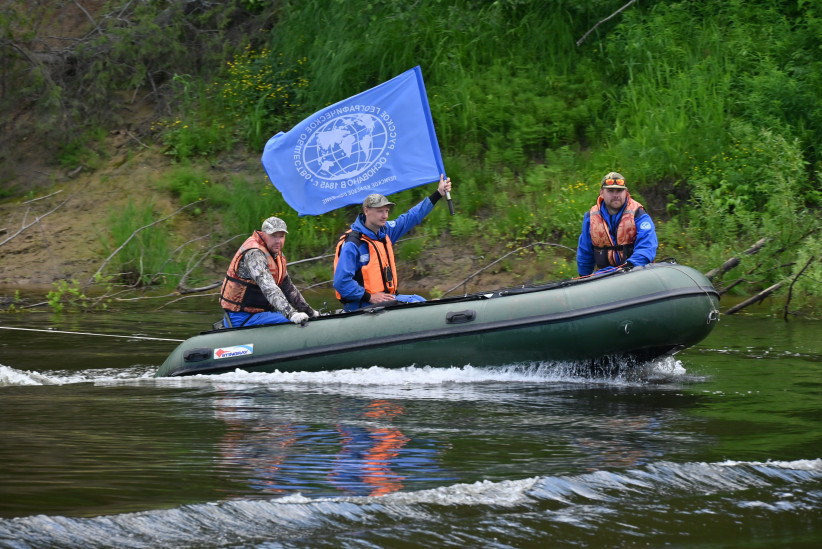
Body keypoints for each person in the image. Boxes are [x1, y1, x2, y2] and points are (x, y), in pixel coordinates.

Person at [333, 175, 453, 311]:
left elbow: (411, 217)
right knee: (417, 304)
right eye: (380, 211)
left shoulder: (385, 232)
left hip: (386, 300)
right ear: (366, 211)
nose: (385, 216)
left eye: (386, 211)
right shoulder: (352, 243)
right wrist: (369, 297)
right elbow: (341, 282)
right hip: (363, 305)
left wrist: (437, 194)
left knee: (419, 300)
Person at [219, 216, 319, 327]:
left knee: (306, 317)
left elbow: (289, 289)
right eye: (273, 236)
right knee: (293, 322)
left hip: (260, 314)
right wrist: (291, 314)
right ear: (263, 234)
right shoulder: (254, 254)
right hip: (241, 317)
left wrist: (310, 312)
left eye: (281, 236)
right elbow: (269, 288)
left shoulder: (277, 256)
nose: (278, 241)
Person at [576, 171, 658, 276]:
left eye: (619, 191)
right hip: (604, 276)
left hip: (635, 273)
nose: (615, 195)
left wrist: (629, 267)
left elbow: (647, 246)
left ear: (626, 192)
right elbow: (585, 253)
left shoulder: (638, 215)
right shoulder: (590, 218)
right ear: (602, 193)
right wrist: (583, 276)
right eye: (610, 191)